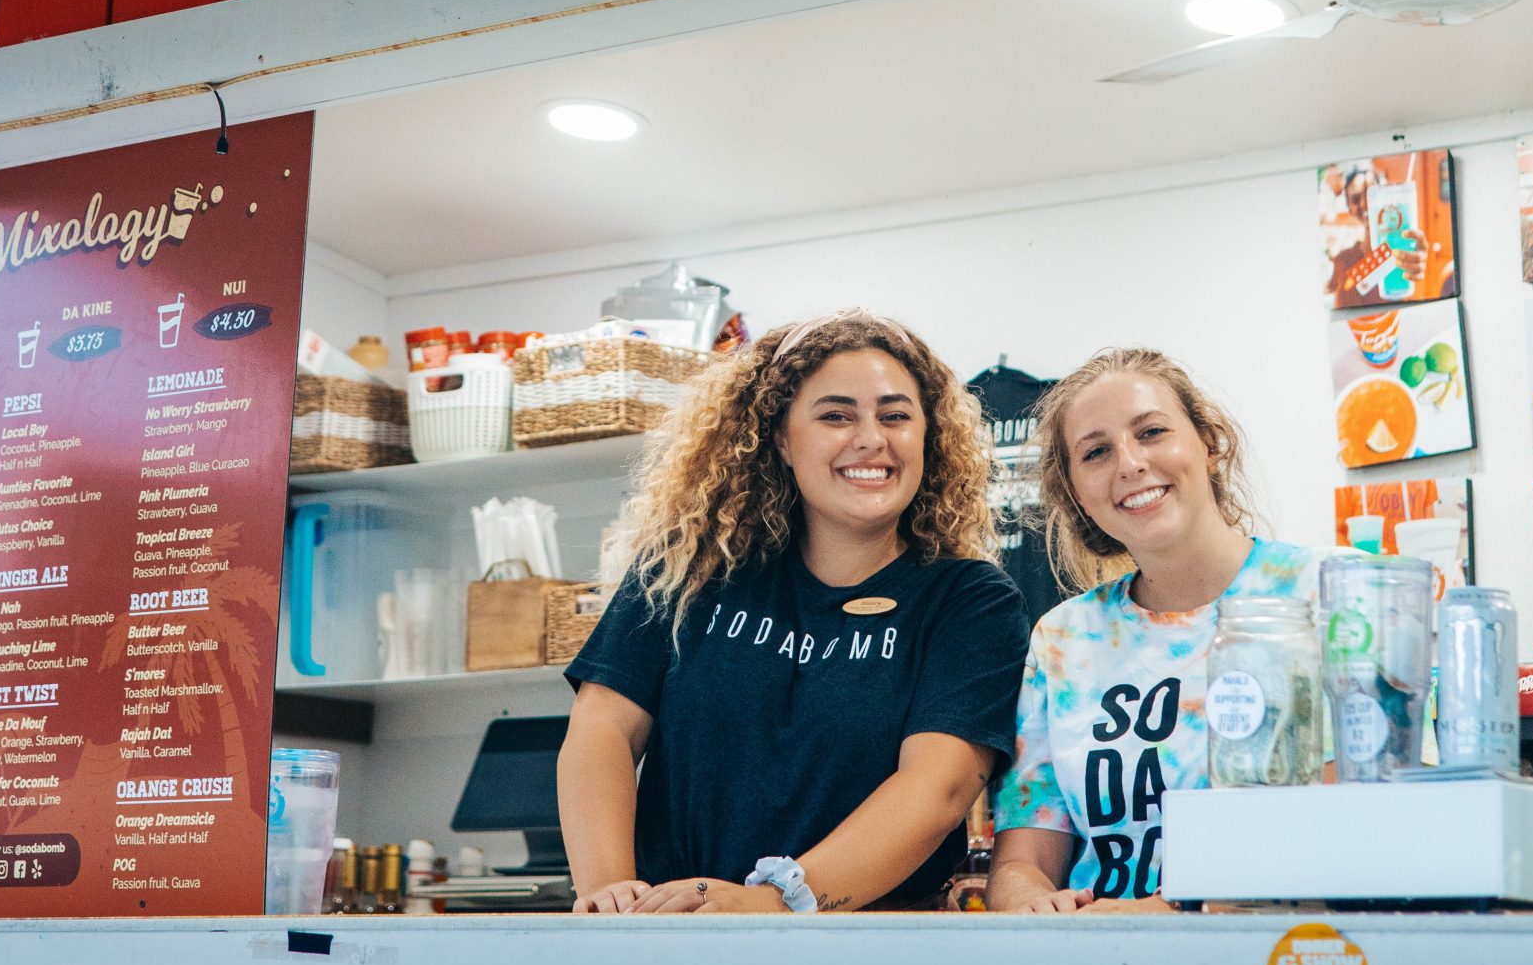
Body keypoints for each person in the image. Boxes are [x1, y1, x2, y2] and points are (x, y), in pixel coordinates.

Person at [559, 310, 1028, 914]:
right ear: (780, 436)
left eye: (896, 415)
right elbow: (604, 729)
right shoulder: (689, 568)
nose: (870, 438)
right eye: (836, 415)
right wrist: (606, 894)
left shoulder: (970, 601)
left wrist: (777, 901)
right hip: (671, 935)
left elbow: (937, 789)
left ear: (927, 436)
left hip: (863, 957)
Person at [988, 348, 1317, 917]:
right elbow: (1023, 861)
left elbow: (1362, 822)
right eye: (1096, 452)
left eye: (1152, 432)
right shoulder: (1062, 640)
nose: (1129, 463)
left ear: (1210, 444)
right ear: (1076, 495)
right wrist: (1033, 905)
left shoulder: (1326, 593)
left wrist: (1177, 912)